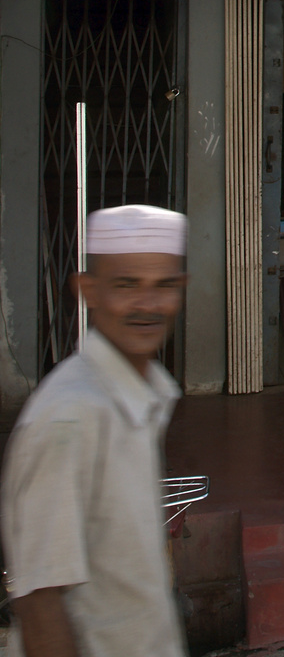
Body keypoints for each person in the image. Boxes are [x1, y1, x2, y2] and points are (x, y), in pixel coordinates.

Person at [1, 205, 189, 657]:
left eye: (164, 285)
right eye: (126, 285)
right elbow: (40, 603)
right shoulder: (68, 418)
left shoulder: (147, 395)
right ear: (88, 291)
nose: (147, 305)